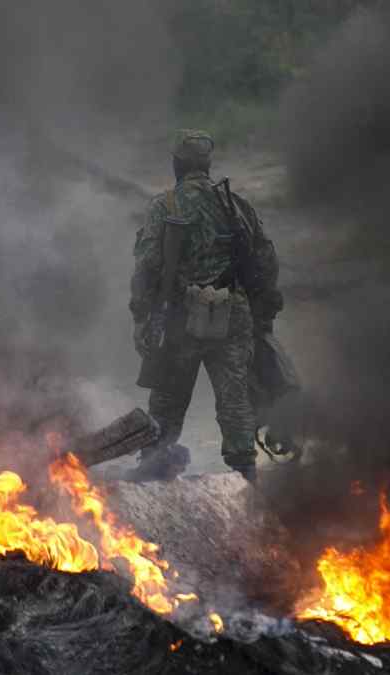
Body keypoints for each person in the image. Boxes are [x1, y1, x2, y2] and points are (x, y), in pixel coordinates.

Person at [129, 130, 283, 482]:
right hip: (232, 312)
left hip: (182, 315)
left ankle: (153, 464)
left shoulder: (165, 206)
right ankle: (245, 471)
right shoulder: (236, 205)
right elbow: (266, 260)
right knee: (235, 395)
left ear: (177, 164)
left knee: (168, 395)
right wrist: (264, 311)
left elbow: (147, 265)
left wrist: (141, 315)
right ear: (207, 165)